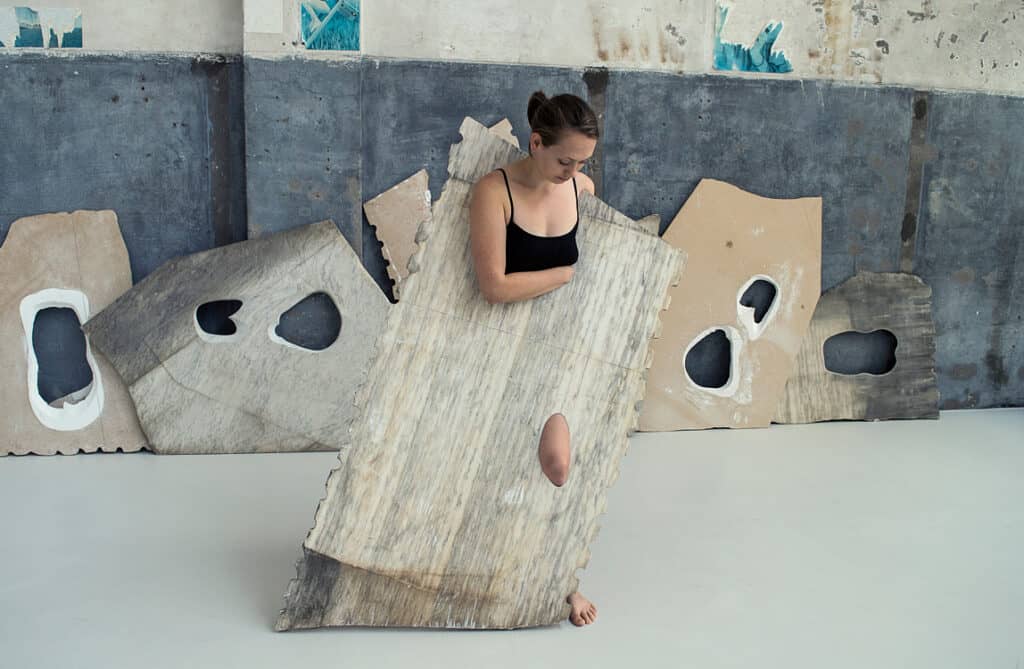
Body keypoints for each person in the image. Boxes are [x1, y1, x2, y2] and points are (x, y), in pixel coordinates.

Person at [468, 91, 600, 627]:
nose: (573, 172)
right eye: (564, 159)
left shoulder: (579, 187)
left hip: (562, 347)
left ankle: (564, 579)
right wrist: (561, 276)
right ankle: (495, 568)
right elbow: (493, 286)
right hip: (495, 346)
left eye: (583, 163)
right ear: (535, 142)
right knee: (495, 470)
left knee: (559, 466)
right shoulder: (492, 192)